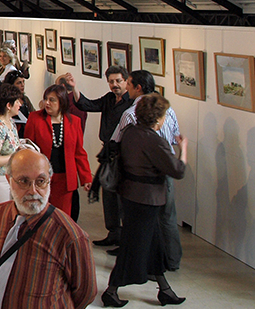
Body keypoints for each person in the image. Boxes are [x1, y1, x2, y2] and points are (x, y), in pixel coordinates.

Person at [0, 148, 96, 309]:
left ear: (49, 181)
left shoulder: (68, 235)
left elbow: (86, 292)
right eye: (24, 182)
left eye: (41, 181)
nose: (33, 191)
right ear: (9, 180)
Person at [101, 93, 188, 309]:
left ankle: (165, 289)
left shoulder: (131, 132)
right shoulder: (154, 140)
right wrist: (183, 148)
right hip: (146, 199)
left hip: (131, 194)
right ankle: (111, 291)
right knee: (133, 245)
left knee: (154, 243)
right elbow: (178, 170)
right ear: (157, 118)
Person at [111, 70, 183, 270]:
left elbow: (116, 141)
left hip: (140, 178)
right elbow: (175, 137)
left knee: (139, 222)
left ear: (138, 87)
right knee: (168, 218)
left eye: (129, 83)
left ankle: (143, 263)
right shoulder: (169, 110)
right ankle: (172, 261)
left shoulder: (130, 114)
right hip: (164, 171)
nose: (126, 87)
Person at [60, 67, 131, 246]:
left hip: (124, 154)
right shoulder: (109, 99)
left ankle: (125, 237)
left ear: (126, 81)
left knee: (122, 196)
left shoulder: (133, 103)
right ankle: (114, 232)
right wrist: (74, 88)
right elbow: (87, 105)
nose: (114, 85)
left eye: (118, 81)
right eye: (111, 81)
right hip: (108, 153)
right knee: (108, 193)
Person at [23, 84, 93, 216]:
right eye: (46, 99)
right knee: (39, 215)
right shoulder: (35, 118)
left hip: (65, 179)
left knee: (61, 217)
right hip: (40, 178)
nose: (47, 103)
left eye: (52, 100)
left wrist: (86, 178)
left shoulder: (75, 122)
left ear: (62, 102)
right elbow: (28, 149)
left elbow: (79, 152)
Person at [3, 70, 33, 137]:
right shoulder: (6, 101)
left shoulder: (25, 99)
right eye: (19, 83)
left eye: (23, 82)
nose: (22, 85)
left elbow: (33, 113)